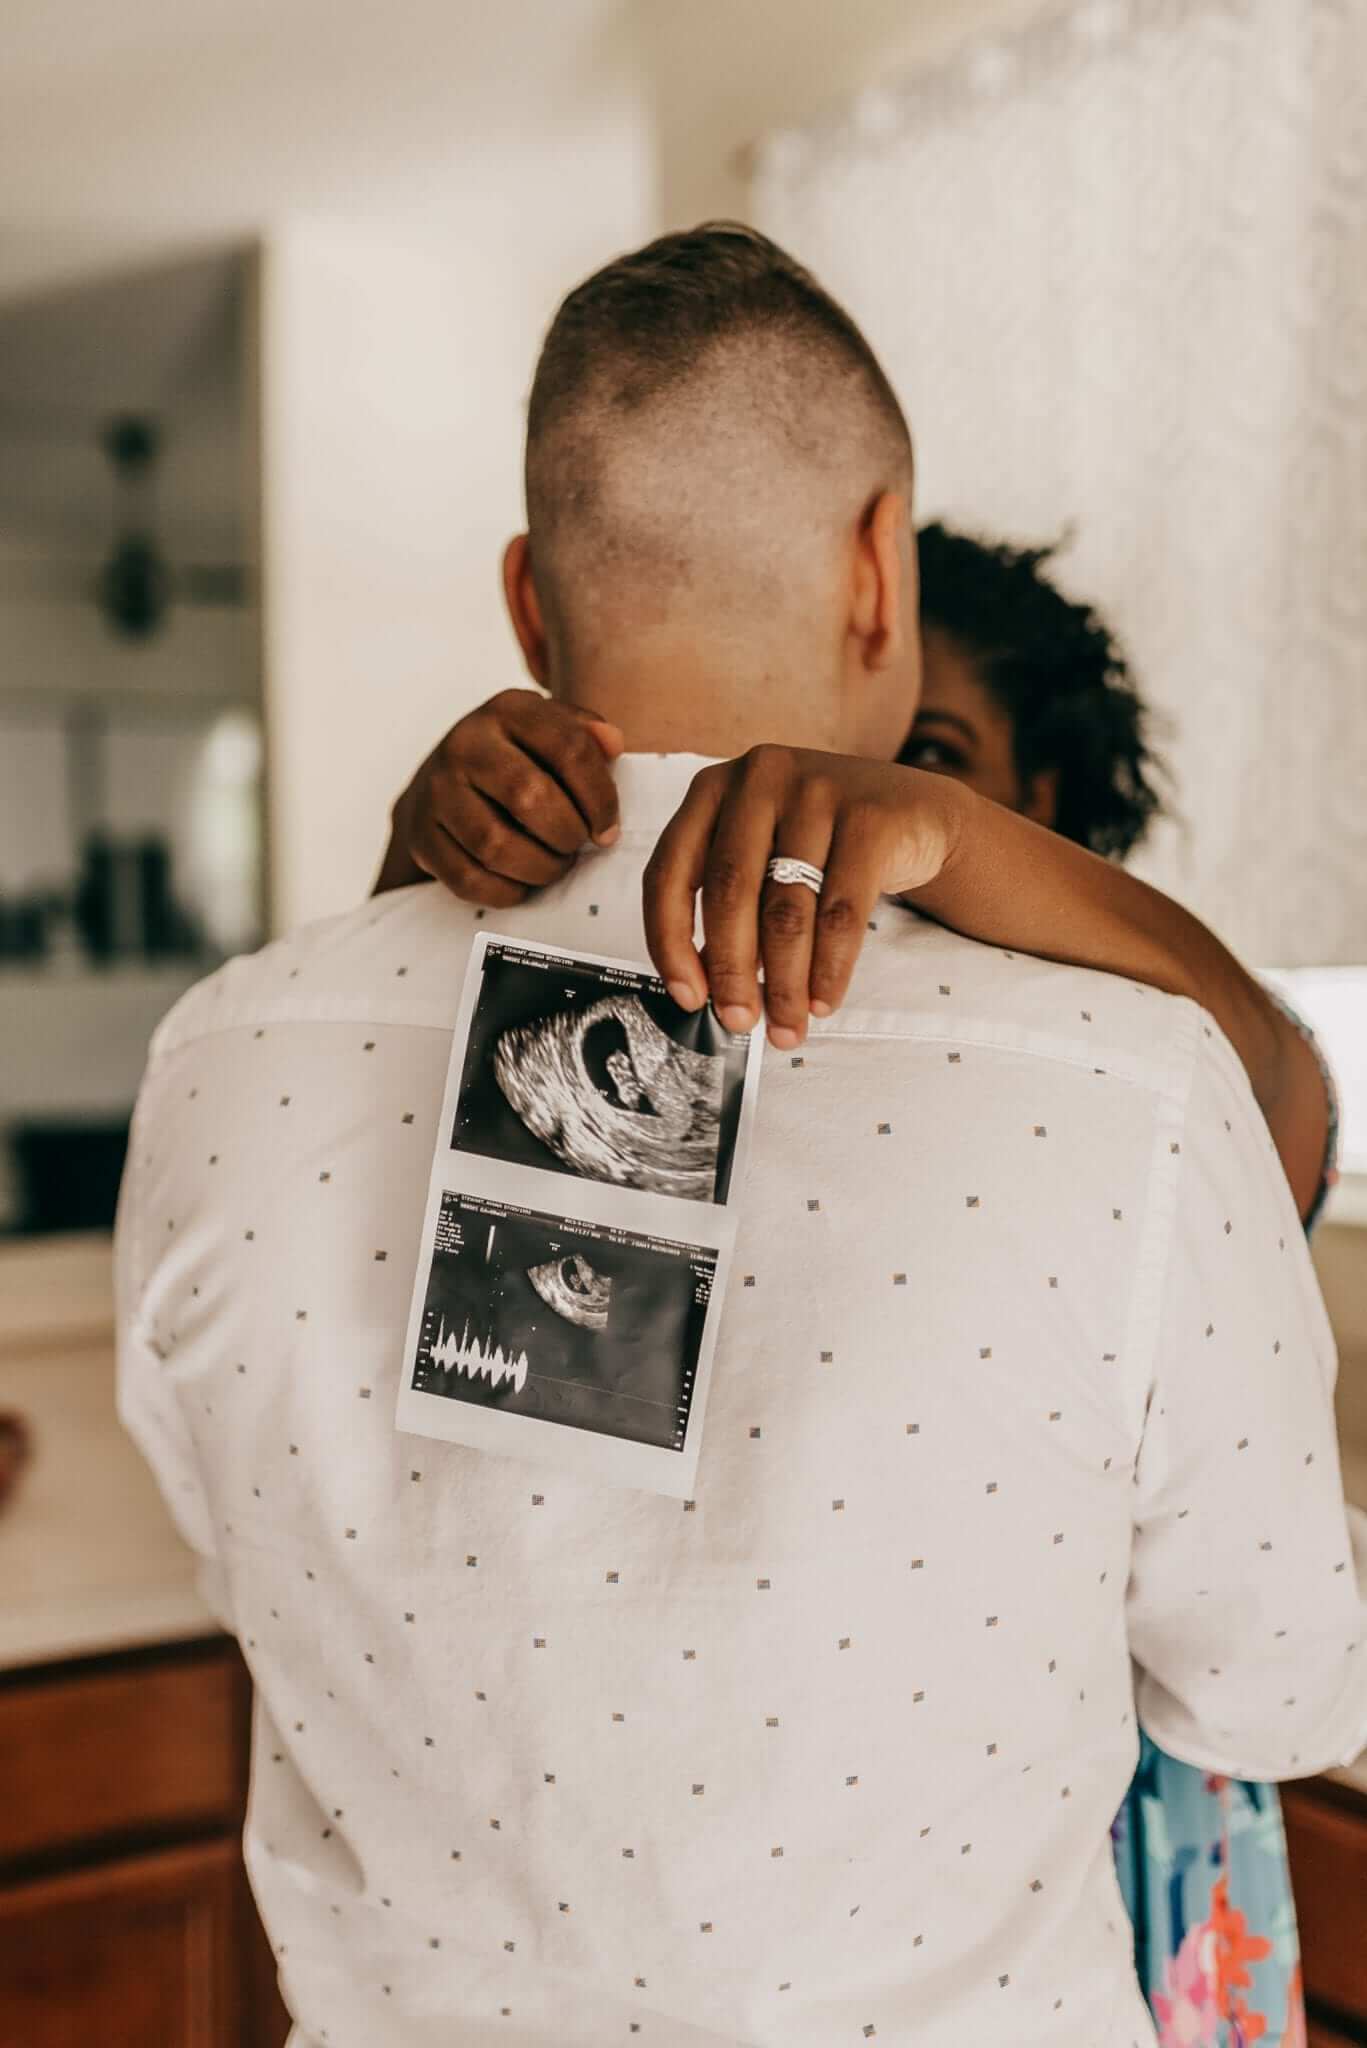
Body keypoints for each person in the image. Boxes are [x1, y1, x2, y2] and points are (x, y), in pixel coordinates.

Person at [117, 225, 1367, 2048]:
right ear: (884, 568)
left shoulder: (223, 1062)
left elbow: (248, 1564)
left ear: (528, 600)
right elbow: (1282, 1693)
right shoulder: (1130, 1097)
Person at [378, 523, 1338, 2046]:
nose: (837, 808)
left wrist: (954, 836)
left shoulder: (1124, 1086)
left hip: (1105, 1810)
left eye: (932, 758)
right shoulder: (707, 1058)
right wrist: (424, 853)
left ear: (1056, 824)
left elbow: (1284, 1104)